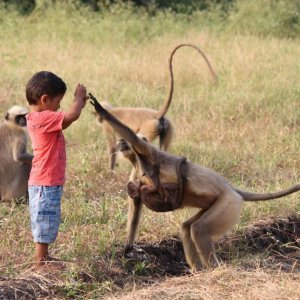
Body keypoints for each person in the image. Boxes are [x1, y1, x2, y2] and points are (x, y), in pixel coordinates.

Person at [25, 71, 88, 270]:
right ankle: (41, 260)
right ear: (45, 100)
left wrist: (78, 104)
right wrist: (78, 99)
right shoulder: (42, 118)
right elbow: (72, 116)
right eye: (58, 102)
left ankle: (43, 257)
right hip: (46, 182)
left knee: (47, 218)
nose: (60, 106)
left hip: (45, 181)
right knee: (45, 218)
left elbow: (66, 121)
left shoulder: (39, 118)